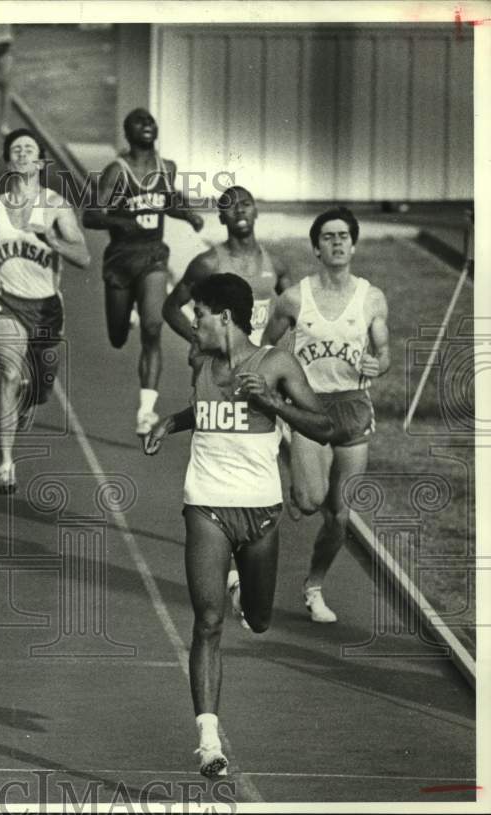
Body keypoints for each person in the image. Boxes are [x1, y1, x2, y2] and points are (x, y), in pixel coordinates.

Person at [143, 273, 333, 777]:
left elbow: (324, 425)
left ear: (223, 317)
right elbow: (207, 411)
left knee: (259, 618)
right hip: (206, 505)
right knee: (207, 624)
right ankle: (208, 740)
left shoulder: (275, 364)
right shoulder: (202, 364)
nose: (192, 323)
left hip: (261, 512)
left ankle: (239, 588)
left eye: (198, 314)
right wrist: (171, 423)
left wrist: (272, 403)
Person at [262, 207, 390, 623]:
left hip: (352, 406)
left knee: (340, 514)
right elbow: (269, 345)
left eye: (343, 236)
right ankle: (297, 476)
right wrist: (275, 385)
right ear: (316, 247)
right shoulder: (296, 298)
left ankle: (314, 586)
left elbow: (383, 352)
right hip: (310, 404)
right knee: (309, 498)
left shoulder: (370, 298)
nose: (337, 243)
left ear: (353, 244)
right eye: (328, 237)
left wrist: (379, 365)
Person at [0, 129, 90, 493]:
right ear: (8, 161)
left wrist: (55, 241)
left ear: (42, 161)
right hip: (7, 304)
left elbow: (84, 257)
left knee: (42, 387)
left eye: (30, 149)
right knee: (10, 376)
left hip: (46, 308)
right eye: (17, 149)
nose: (24, 154)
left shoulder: (57, 205)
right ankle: (6, 463)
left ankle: (31, 397)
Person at [83, 107, 204, 437]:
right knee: (119, 336)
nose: (147, 125)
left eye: (150, 121)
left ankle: (146, 411)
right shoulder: (117, 171)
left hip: (153, 255)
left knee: (154, 326)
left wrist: (189, 215)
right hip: (121, 258)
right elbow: (91, 215)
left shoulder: (168, 168)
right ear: (127, 131)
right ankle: (130, 312)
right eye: (139, 122)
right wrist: (122, 221)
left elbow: (167, 202)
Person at [163, 185, 292, 351]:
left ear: (255, 212)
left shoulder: (275, 264)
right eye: (231, 206)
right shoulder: (207, 264)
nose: (239, 210)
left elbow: (295, 312)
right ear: (221, 218)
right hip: (219, 367)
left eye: (245, 204)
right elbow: (170, 308)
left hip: (258, 363)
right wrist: (200, 342)